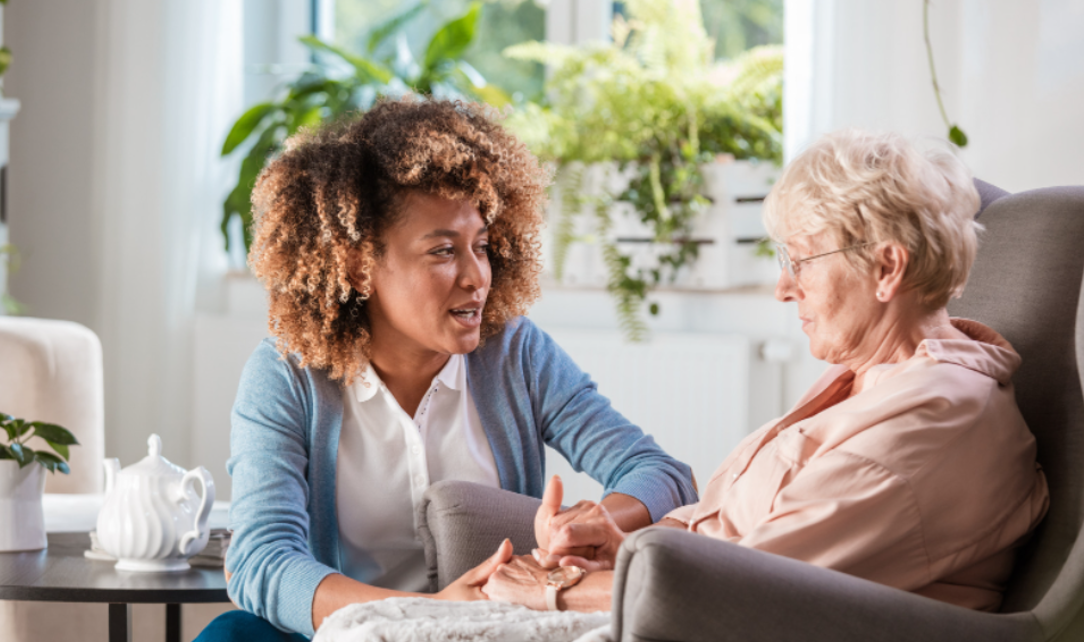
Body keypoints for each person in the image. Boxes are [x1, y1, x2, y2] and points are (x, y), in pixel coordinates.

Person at [483, 129, 1050, 614]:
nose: (784, 288)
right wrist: (623, 544)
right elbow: (725, 531)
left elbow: (737, 587)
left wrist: (555, 586)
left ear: (886, 267)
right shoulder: (879, 381)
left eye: (799, 260)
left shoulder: (931, 424)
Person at [196, 98, 697, 641]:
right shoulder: (287, 376)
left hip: (487, 631)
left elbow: (660, 471)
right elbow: (261, 560)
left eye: (481, 246)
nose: (477, 276)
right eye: (442, 251)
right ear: (359, 265)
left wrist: (592, 523)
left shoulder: (515, 354)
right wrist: (426, 611)